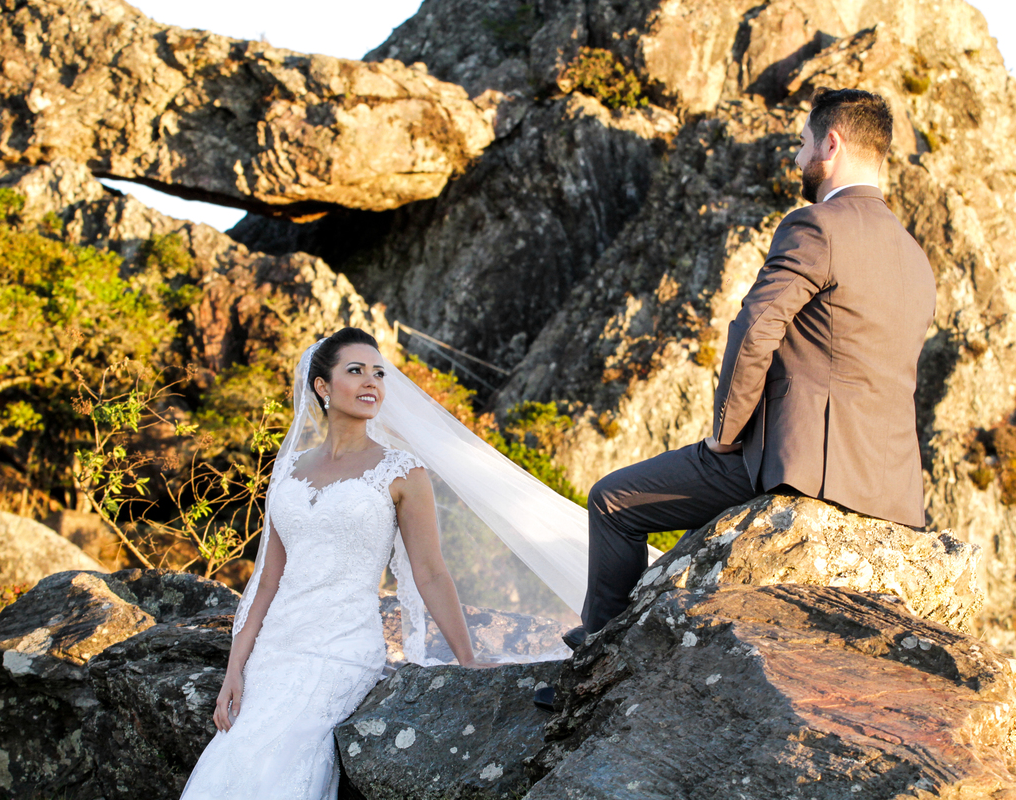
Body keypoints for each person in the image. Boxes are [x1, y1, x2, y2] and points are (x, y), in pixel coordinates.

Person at [567, 87, 938, 648]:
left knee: (613, 501)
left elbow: (755, 330)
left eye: (803, 143)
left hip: (800, 462)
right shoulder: (916, 257)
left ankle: (597, 658)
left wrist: (725, 435)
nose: (797, 157)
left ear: (831, 144)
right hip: (892, 489)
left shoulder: (817, 225)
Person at [180, 326, 586, 799]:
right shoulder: (288, 468)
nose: (371, 381)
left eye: (379, 373)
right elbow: (267, 579)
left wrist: (467, 657)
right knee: (233, 758)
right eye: (356, 371)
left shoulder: (402, 471)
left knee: (281, 758)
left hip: (340, 650)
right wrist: (235, 669)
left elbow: (430, 571)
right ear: (322, 386)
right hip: (273, 650)